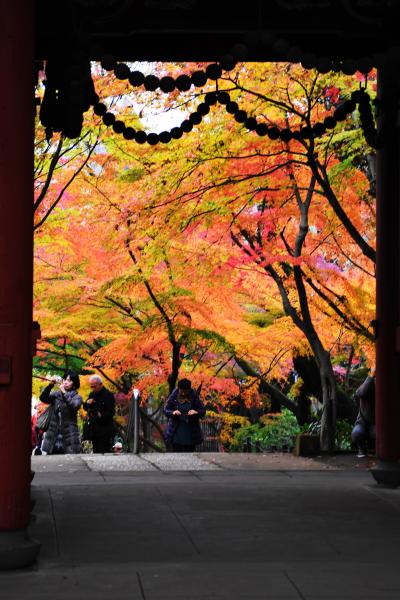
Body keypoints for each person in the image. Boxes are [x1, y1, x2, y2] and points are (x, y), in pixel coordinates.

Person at [39, 371, 82, 455]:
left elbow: (74, 406)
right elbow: (43, 398)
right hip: (53, 436)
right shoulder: (56, 395)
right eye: (64, 379)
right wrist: (50, 385)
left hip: (69, 436)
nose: (65, 382)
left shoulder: (77, 397)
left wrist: (64, 393)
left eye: (69, 380)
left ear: (74, 384)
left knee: (69, 463)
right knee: (52, 463)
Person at [163, 378, 206, 452]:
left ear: (189, 389)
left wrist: (196, 412)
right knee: (176, 452)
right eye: (181, 391)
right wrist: (173, 412)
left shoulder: (194, 396)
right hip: (176, 430)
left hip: (191, 431)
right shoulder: (173, 396)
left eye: (185, 391)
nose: (183, 393)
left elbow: (203, 410)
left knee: (189, 452)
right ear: (178, 389)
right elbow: (166, 410)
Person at [83, 375, 116, 453]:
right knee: (96, 452)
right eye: (91, 386)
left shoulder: (108, 395)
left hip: (105, 429)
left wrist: (101, 415)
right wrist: (87, 403)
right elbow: (85, 408)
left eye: (94, 386)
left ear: (100, 384)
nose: (93, 388)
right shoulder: (92, 394)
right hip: (94, 428)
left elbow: (112, 412)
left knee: (105, 451)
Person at [351, 367, 375, 458]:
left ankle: (374, 450)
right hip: (362, 423)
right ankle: (361, 449)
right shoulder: (366, 387)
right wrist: (371, 376)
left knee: (377, 433)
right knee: (357, 433)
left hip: (376, 424)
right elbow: (360, 393)